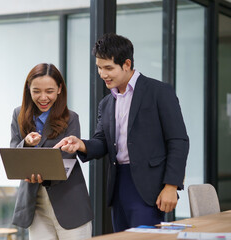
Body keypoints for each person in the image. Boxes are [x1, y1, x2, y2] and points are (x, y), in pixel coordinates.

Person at [54, 33, 189, 232]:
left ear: (126, 64)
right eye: (99, 68)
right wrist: (80, 144)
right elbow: (102, 141)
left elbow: (178, 141)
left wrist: (171, 186)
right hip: (119, 186)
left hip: (149, 188)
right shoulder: (107, 103)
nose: (103, 74)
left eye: (108, 68)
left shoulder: (159, 92)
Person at [10, 63, 93, 240]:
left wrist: (38, 171)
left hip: (70, 204)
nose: (43, 97)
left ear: (59, 89)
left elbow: (66, 159)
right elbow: (13, 156)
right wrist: (27, 143)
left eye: (49, 91)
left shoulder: (71, 118)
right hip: (35, 206)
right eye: (36, 91)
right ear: (28, 89)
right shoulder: (19, 115)